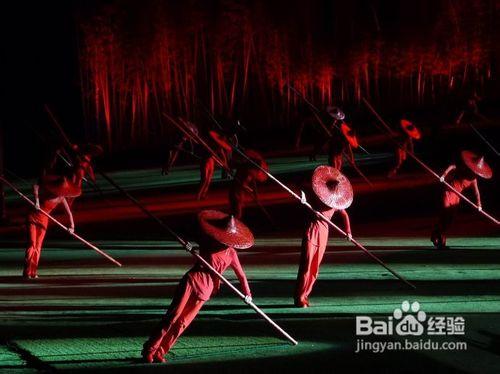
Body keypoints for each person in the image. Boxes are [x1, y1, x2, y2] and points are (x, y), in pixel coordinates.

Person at [142, 210, 253, 363]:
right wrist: (189, 247)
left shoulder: (232, 254)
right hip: (191, 281)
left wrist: (248, 295)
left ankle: (161, 351)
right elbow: (187, 231)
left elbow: (241, 275)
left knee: (182, 323)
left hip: (205, 291)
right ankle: (150, 349)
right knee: (173, 317)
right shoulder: (208, 240)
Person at [24, 144, 101, 279]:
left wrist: (72, 226)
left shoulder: (61, 198)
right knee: (32, 244)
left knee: (38, 245)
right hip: (33, 216)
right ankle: (26, 272)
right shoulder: (49, 189)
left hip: (44, 219)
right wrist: (36, 201)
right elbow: (35, 186)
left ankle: (33, 272)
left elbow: (69, 213)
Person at [295, 165, 353, 308]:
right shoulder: (319, 193)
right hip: (312, 229)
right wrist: (304, 201)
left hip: (324, 232)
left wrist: (348, 232)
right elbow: (300, 187)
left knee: (315, 267)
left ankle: (306, 294)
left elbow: (344, 215)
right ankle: (299, 297)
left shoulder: (337, 200)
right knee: (306, 265)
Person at [431, 150, 492, 249]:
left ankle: (437, 237)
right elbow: (452, 166)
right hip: (449, 192)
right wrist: (443, 175)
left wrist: (479, 204)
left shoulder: (474, 179)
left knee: (450, 219)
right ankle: (439, 239)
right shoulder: (464, 169)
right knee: (445, 214)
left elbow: (477, 192)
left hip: (457, 197)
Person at [228, 149, 269, 219]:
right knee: (237, 210)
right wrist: (252, 192)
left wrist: (254, 194)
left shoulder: (250, 172)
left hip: (239, 192)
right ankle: (232, 222)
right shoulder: (246, 170)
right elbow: (245, 184)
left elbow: (250, 183)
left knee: (236, 209)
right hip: (236, 191)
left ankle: (232, 222)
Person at [197, 130, 232, 200]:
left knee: (209, 179)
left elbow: (223, 156)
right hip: (205, 160)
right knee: (204, 179)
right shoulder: (210, 143)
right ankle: (198, 195)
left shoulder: (219, 146)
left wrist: (225, 165)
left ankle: (203, 194)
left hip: (211, 160)